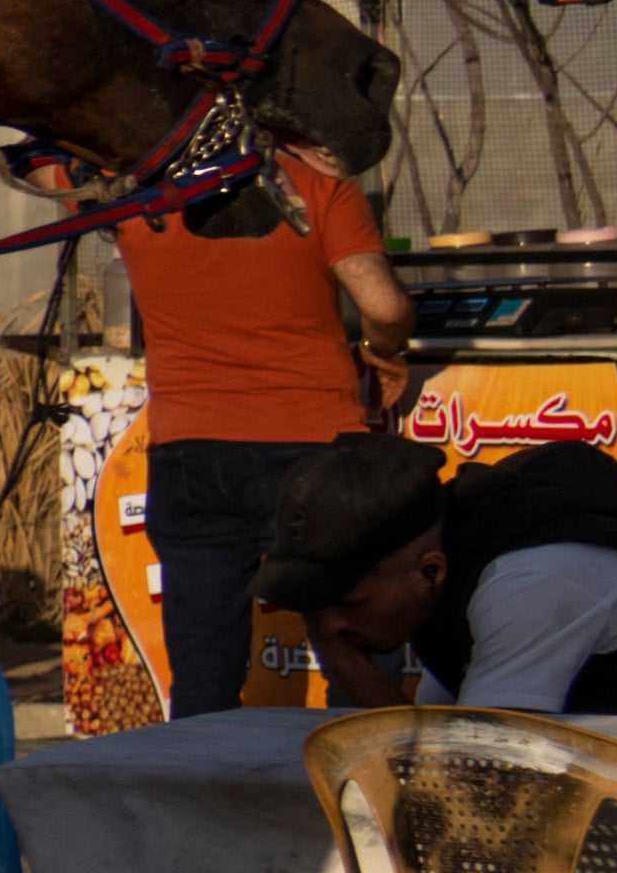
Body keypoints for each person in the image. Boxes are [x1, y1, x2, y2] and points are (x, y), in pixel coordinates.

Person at [119, 145, 404, 714]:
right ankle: (362, 792)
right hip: (319, 449)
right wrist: (382, 351)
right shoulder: (317, 186)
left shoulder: (135, 183)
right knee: (353, 646)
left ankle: (205, 795)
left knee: (203, 673)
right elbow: (385, 306)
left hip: (190, 450)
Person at [262, 428, 617, 714]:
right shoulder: (455, 569)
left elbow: (478, 775)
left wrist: (343, 659)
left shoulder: (530, 581)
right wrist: (342, 656)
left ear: (429, 569)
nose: (329, 626)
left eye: (350, 602)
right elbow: (431, 746)